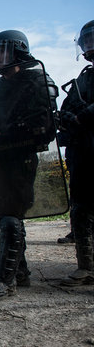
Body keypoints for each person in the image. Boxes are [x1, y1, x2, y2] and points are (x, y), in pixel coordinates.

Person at [0, 30, 59, 300]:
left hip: (20, 158)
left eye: (1, 52)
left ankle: (5, 279)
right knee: (1, 215)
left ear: (17, 52)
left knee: (11, 214)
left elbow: (43, 127)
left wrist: (4, 135)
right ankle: (20, 272)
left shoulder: (36, 81)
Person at [59, 20, 94, 286]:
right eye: (87, 40)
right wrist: (68, 117)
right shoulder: (85, 77)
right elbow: (68, 107)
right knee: (80, 208)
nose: (90, 45)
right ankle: (86, 265)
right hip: (82, 151)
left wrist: (86, 115)